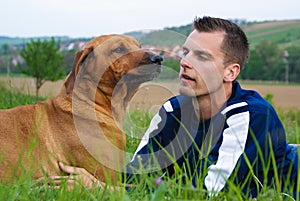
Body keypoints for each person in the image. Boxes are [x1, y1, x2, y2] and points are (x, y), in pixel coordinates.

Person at [51, 16, 299, 198]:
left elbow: (212, 194)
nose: (185, 63)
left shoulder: (251, 116)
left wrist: (103, 189)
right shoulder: (172, 111)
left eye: (201, 57)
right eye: (186, 52)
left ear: (231, 71)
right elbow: (135, 178)